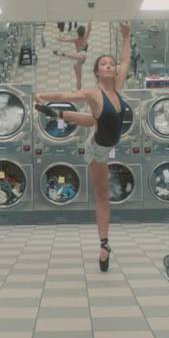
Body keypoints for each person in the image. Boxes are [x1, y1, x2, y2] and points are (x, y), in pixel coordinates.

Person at [35, 21, 131, 272]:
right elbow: (67, 95)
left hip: (100, 131)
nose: (110, 66)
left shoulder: (117, 88)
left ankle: (56, 116)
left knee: (92, 120)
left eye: (111, 64)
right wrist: (42, 95)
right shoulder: (93, 93)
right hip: (97, 149)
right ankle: (104, 243)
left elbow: (126, 60)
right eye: (104, 64)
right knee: (102, 196)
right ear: (98, 72)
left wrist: (126, 37)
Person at [53, 21, 92, 90]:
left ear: (77, 33)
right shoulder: (85, 38)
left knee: (79, 78)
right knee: (79, 77)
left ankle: (64, 54)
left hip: (76, 59)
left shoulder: (75, 40)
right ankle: (64, 54)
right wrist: (90, 20)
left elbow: (65, 40)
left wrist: (59, 39)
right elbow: (89, 29)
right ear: (84, 32)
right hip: (79, 58)